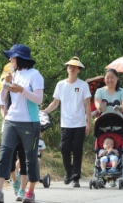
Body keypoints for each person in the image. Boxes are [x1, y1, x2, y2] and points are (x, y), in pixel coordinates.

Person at [0, 44, 43, 203]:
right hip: (11, 121)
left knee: (30, 158)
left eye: (12, 57)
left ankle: (30, 191)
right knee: (4, 154)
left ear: (20, 58)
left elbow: (39, 99)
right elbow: (3, 98)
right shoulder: (12, 74)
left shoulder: (35, 75)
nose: (10, 59)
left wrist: (22, 90)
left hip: (29, 122)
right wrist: (6, 83)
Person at [42, 56, 91, 188]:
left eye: (74, 67)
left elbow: (87, 104)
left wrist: (88, 122)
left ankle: (76, 178)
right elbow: (55, 102)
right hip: (66, 123)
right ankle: (68, 173)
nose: (71, 68)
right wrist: (45, 111)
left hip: (80, 123)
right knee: (64, 148)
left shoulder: (83, 85)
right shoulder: (60, 84)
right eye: (69, 66)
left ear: (79, 70)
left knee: (77, 150)